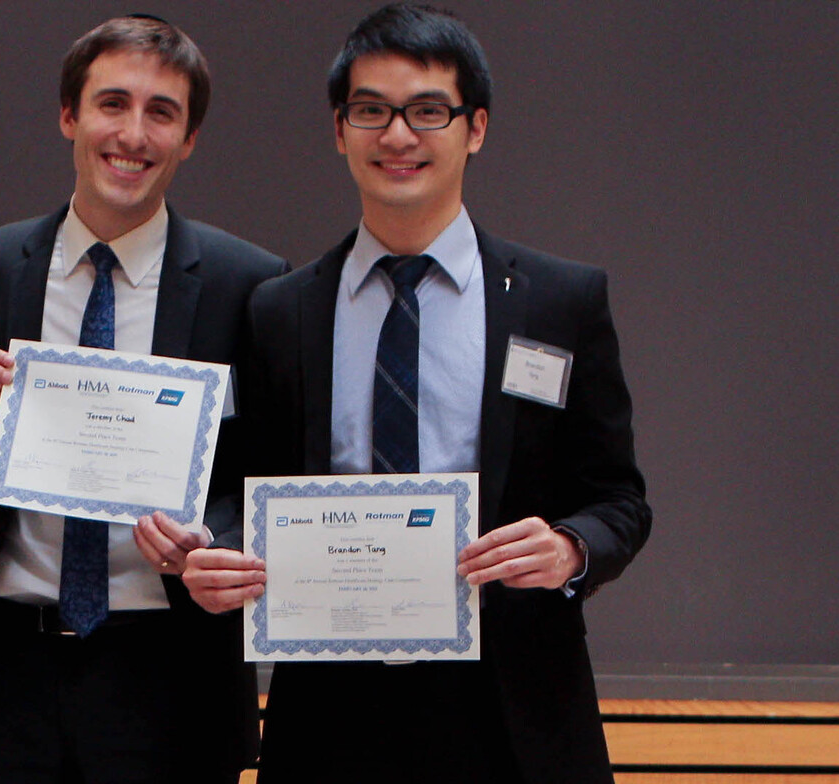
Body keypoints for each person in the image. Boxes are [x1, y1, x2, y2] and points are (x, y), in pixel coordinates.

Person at [184, 5, 651, 782]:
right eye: (370, 111)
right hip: (328, 709)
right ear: (340, 131)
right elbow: (239, 484)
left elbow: (620, 501)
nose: (397, 136)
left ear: (475, 128)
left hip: (512, 709)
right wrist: (220, 546)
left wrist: (570, 549)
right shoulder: (281, 310)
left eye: (428, 110)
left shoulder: (558, 302)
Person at [0, 15, 287, 784]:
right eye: (112, 104)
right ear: (70, 116)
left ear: (189, 137)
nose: (133, 134)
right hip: (15, 669)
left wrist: (211, 538)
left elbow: (266, 472)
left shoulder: (249, 282)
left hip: (173, 672)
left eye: (161, 113)